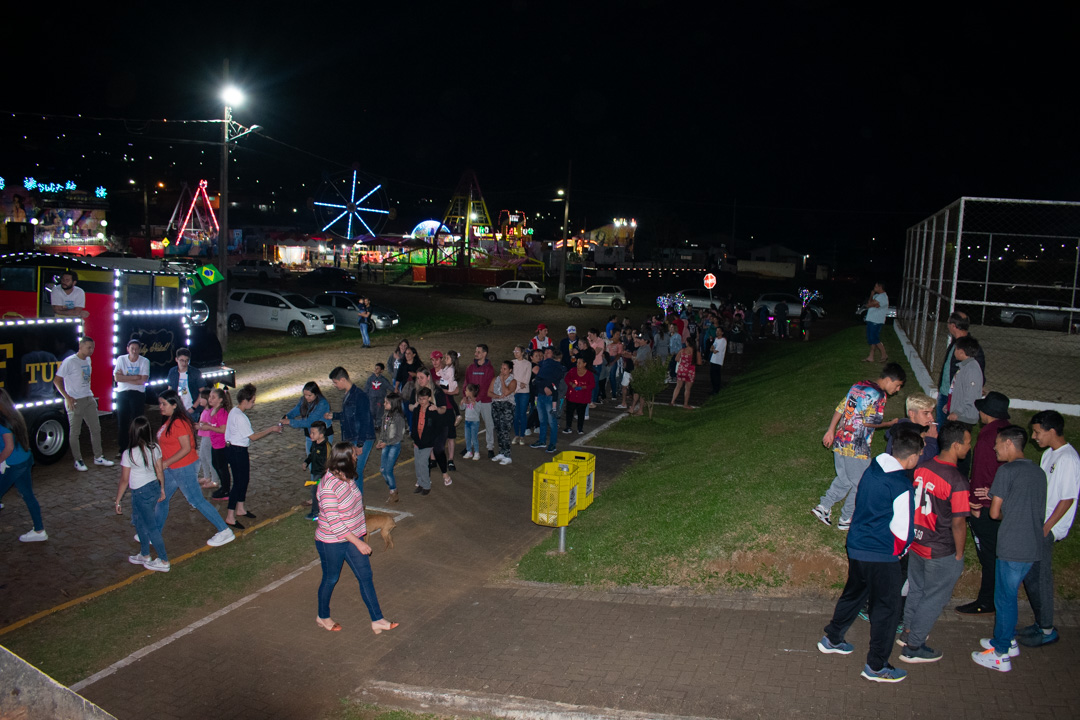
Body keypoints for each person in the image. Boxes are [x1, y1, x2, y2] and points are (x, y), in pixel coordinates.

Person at [816, 427, 921, 683]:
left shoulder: (873, 468)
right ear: (913, 456)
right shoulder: (901, 485)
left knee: (854, 593)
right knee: (886, 609)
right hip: (882, 555)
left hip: (857, 546)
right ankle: (876, 666)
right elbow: (903, 529)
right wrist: (899, 552)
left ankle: (832, 638)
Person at [971, 425, 1047, 673]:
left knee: (1004, 598)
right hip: (1032, 544)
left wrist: (998, 506)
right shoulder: (1037, 471)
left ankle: (1001, 653)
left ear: (1009, 444)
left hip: (1012, 544)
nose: (994, 448)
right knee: (1009, 595)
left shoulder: (1006, 471)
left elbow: (994, 513)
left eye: (998, 444)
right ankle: (1007, 640)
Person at [898, 421, 972, 664]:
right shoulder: (957, 480)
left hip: (917, 542)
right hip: (940, 549)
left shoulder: (923, 466)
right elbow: (958, 523)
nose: (969, 448)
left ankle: (907, 631)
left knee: (917, 590)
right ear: (956, 445)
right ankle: (914, 646)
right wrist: (959, 555)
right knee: (934, 597)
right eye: (968, 443)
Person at [314, 442, 398, 635]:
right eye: (353, 455)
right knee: (331, 578)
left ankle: (377, 619)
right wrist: (359, 541)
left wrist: (359, 534)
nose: (357, 456)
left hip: (352, 536)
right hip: (331, 542)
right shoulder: (328, 486)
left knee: (365, 576)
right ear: (344, 459)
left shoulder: (347, 476)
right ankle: (322, 616)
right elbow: (334, 522)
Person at [812, 363, 906, 530]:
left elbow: (841, 408)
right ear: (889, 380)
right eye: (898, 385)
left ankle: (823, 507)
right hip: (857, 446)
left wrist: (831, 430)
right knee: (861, 483)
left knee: (845, 479)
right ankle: (847, 518)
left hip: (841, 441)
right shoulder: (879, 395)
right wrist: (890, 423)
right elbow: (870, 423)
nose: (897, 390)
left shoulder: (859, 386)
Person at [1017, 410, 1079, 648]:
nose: (1034, 437)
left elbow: (1067, 499)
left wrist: (1046, 527)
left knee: (1041, 578)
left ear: (1052, 431)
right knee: (1032, 578)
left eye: (1037, 432)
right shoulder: (1049, 455)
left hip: (1047, 529)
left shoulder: (1068, 459)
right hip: (1038, 525)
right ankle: (1040, 622)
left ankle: (1047, 630)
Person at [151, 389, 235, 547]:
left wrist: (166, 463)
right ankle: (153, 532)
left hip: (183, 467)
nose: (160, 407)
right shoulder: (170, 420)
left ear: (174, 405)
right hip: (173, 468)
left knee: (196, 500)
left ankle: (224, 530)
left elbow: (186, 448)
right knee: (162, 498)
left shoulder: (179, 422)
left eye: (164, 404)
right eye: (160, 403)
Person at [956, 391, 1011, 615]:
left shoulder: (988, 436)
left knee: (989, 557)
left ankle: (987, 601)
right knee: (996, 556)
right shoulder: (1007, 431)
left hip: (986, 510)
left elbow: (981, 473)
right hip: (999, 504)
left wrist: (976, 502)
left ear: (986, 413)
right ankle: (994, 598)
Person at [224, 383, 283, 529]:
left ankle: (240, 508)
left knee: (244, 480)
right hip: (238, 451)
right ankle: (230, 516)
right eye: (252, 401)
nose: (254, 403)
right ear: (245, 400)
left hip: (234, 449)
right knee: (238, 483)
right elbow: (253, 437)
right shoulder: (241, 417)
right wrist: (271, 429)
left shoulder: (234, 411)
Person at [114, 416, 169, 571]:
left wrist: (117, 500)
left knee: (151, 527)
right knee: (138, 521)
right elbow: (159, 471)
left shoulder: (129, 454)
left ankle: (164, 560)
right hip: (152, 488)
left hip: (140, 492)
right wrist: (162, 489)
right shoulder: (155, 448)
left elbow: (124, 480)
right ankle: (144, 554)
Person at [53, 337, 114, 472]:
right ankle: (78, 460)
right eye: (88, 347)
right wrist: (67, 397)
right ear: (80, 346)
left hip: (88, 398)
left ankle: (98, 456)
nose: (91, 350)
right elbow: (57, 380)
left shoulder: (88, 359)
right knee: (75, 432)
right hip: (75, 400)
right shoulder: (69, 361)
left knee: (96, 428)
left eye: (92, 347)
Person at [0, 388, 46, 542]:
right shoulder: (13, 415)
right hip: (25, 459)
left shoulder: (2, 422)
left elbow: (9, 447)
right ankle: (39, 531)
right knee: (28, 495)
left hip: (13, 464)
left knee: (27, 495)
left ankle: (39, 531)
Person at [326, 367, 376, 493]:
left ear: (342, 379)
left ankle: (357, 503)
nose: (335, 385)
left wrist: (360, 444)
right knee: (351, 471)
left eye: (335, 382)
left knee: (355, 472)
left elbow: (365, 420)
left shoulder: (360, 396)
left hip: (361, 438)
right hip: (353, 437)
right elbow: (350, 415)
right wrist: (335, 416)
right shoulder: (348, 394)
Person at [935, 311, 987, 426]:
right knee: (941, 426)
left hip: (956, 397)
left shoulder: (970, 347)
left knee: (950, 429)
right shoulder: (955, 343)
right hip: (945, 393)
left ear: (953, 325)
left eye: (948, 323)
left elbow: (978, 372)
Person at [409, 387, 450, 493]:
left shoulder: (433, 411)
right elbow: (413, 424)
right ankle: (421, 482)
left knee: (423, 462)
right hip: (418, 440)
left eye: (424, 399)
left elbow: (435, 429)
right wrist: (415, 438)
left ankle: (426, 485)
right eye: (420, 399)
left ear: (429, 398)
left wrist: (429, 441)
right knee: (418, 463)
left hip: (427, 442)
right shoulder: (417, 409)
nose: (421, 401)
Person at [113, 338, 149, 456]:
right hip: (122, 393)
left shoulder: (144, 361)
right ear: (127, 349)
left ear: (140, 350)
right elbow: (117, 378)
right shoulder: (121, 359)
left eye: (136, 349)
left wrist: (125, 378)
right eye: (132, 348)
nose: (134, 351)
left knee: (137, 421)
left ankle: (137, 446)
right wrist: (135, 377)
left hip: (137, 394)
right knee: (122, 421)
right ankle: (122, 448)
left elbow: (143, 380)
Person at [884, 392, 939, 463]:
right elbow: (916, 460)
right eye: (926, 413)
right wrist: (931, 441)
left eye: (931, 413)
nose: (931, 418)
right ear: (911, 413)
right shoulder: (906, 434)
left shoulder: (907, 426)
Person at [465, 344, 497, 459]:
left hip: (485, 401)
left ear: (484, 354)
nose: (476, 354)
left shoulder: (489, 369)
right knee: (472, 424)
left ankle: (490, 447)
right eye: (476, 351)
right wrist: (466, 396)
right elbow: (466, 383)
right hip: (472, 401)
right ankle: (470, 446)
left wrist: (476, 399)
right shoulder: (470, 368)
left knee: (489, 424)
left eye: (478, 352)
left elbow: (487, 386)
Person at [200, 387, 233, 500]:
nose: (210, 399)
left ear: (220, 400)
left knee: (222, 467)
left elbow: (223, 429)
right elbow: (213, 425)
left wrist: (208, 427)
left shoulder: (221, 412)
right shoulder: (213, 410)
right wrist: (205, 424)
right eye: (210, 396)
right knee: (216, 464)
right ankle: (224, 487)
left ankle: (226, 490)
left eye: (213, 397)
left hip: (221, 444)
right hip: (215, 443)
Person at [283, 381, 334, 452]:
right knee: (310, 459)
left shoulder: (323, 403)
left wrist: (290, 422)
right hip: (310, 435)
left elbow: (310, 422)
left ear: (316, 394)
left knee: (322, 460)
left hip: (323, 436)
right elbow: (296, 410)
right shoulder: (303, 400)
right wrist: (287, 416)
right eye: (305, 395)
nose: (306, 397)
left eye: (309, 395)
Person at [530, 348, 564, 453]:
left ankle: (552, 444)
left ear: (553, 354)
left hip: (549, 397)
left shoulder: (557, 366)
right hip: (541, 395)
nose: (545, 353)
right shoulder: (543, 364)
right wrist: (544, 384)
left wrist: (548, 386)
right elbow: (537, 376)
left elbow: (556, 381)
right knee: (542, 420)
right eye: (545, 352)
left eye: (548, 352)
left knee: (552, 421)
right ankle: (542, 441)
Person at [375, 393, 406, 503]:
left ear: (393, 404)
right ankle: (392, 487)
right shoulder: (386, 415)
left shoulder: (399, 418)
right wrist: (380, 440)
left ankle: (393, 491)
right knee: (383, 470)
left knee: (388, 470)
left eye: (386, 402)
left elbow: (399, 436)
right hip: (386, 445)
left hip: (394, 446)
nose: (384, 404)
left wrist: (386, 443)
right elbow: (383, 430)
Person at [166, 348, 205, 423]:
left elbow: (202, 392)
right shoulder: (172, 372)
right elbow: (170, 389)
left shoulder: (195, 372)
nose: (184, 363)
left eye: (187, 360)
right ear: (176, 359)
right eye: (181, 360)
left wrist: (193, 408)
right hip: (177, 409)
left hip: (192, 410)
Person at [490, 360, 517, 465]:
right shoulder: (494, 379)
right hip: (496, 405)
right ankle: (501, 452)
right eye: (501, 368)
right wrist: (496, 396)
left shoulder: (513, 381)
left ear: (510, 370)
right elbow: (489, 392)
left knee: (505, 430)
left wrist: (502, 380)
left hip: (507, 407)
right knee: (498, 429)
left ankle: (507, 455)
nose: (502, 370)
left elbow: (506, 392)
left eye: (505, 369)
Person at [303, 421, 330, 520]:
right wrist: (306, 462)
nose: (311, 435)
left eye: (313, 433)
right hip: (315, 472)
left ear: (321, 435)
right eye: (310, 432)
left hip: (321, 474)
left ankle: (316, 513)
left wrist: (324, 476)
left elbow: (328, 462)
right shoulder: (314, 443)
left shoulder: (326, 447)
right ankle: (320, 511)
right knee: (316, 492)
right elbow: (311, 455)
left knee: (315, 492)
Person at [563, 356, 596, 436]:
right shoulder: (572, 371)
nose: (577, 364)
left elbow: (592, 385)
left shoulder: (589, 374)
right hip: (572, 395)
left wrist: (583, 387)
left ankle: (580, 428)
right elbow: (567, 379)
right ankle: (568, 427)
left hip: (583, 397)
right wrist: (572, 384)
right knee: (569, 412)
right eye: (577, 362)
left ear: (584, 364)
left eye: (579, 363)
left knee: (581, 413)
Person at [194, 388, 218, 488]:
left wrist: (199, 426)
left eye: (201, 398)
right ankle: (207, 476)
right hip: (204, 437)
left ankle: (215, 480)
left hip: (208, 437)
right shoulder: (205, 411)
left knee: (209, 458)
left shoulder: (210, 412)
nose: (199, 400)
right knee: (203, 457)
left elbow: (211, 425)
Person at [862, 282, 889, 362]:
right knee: (871, 339)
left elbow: (870, 305)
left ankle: (884, 354)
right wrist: (871, 296)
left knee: (874, 338)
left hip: (876, 320)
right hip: (871, 319)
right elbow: (868, 304)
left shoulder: (883, 297)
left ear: (880, 287)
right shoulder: (876, 296)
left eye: (876, 286)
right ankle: (871, 357)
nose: (874, 287)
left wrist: (871, 302)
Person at [511, 346, 532, 445]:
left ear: (522, 352)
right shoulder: (512, 363)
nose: (515, 352)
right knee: (515, 415)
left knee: (522, 414)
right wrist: (518, 384)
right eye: (514, 351)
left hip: (523, 393)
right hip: (514, 392)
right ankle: (516, 435)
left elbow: (526, 381)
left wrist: (517, 385)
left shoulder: (528, 364)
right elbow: (511, 378)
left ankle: (522, 435)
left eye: (517, 351)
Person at [364, 362, 391, 430]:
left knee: (379, 411)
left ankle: (378, 425)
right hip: (371, 398)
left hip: (380, 399)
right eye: (375, 368)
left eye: (378, 368)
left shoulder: (383, 380)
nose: (376, 369)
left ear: (381, 370)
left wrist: (395, 391)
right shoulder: (370, 379)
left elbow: (389, 386)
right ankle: (372, 424)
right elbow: (366, 388)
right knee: (372, 411)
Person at [669, 344, 695, 409]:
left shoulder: (682, 351)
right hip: (690, 370)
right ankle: (685, 404)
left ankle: (672, 401)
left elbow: (677, 359)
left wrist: (683, 361)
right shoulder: (695, 352)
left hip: (682, 369)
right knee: (687, 389)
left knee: (678, 386)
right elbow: (699, 362)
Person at [461, 384, 481, 460]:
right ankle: (469, 451)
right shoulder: (466, 399)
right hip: (467, 421)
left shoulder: (477, 401)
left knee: (474, 437)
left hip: (474, 422)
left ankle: (476, 452)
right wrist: (462, 403)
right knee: (467, 437)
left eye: (467, 390)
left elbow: (478, 411)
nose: (465, 392)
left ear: (471, 392)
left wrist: (474, 404)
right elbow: (462, 408)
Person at [708, 325, 726, 395]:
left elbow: (715, 350)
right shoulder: (716, 339)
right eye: (717, 331)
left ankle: (716, 389)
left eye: (719, 331)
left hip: (718, 361)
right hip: (713, 359)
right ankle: (714, 389)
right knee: (712, 375)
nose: (717, 332)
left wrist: (713, 349)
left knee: (716, 375)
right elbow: (712, 347)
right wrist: (713, 349)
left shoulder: (723, 340)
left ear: (722, 332)